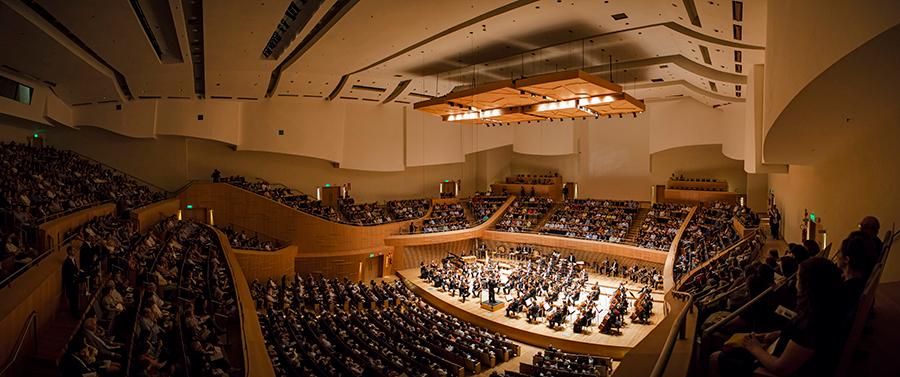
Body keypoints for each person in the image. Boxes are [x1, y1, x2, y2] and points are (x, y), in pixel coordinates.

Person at [709, 257, 844, 377]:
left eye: (798, 278)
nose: (795, 282)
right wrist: (776, 334)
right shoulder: (823, 310)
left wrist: (754, 347)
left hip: (769, 368)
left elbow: (781, 368)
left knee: (715, 358)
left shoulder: (811, 325)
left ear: (807, 285)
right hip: (775, 351)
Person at [63, 246, 81, 318]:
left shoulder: (73, 260)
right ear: (69, 251)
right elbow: (68, 274)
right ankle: (74, 313)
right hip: (71, 284)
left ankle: (76, 310)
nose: (75, 251)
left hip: (75, 282)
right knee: (73, 298)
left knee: (75, 297)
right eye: (73, 250)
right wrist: (75, 276)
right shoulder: (67, 262)